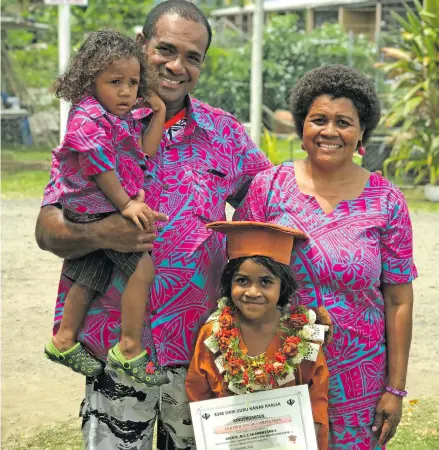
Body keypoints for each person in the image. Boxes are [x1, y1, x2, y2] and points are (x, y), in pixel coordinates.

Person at [35, 1, 272, 448]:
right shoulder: (96, 124)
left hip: (202, 350)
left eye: (193, 57)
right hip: (117, 355)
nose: (177, 66)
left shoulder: (225, 134)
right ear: (141, 45)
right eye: (165, 49)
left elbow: (269, 206)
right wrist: (96, 233)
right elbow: (47, 227)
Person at [235, 64, 417, 449]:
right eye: (318, 119)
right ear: (302, 128)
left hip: (361, 383)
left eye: (344, 122)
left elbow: (399, 300)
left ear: (362, 131)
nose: (330, 131)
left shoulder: (387, 201)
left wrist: (395, 389)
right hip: (277, 370)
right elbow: (235, 273)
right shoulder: (269, 188)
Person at [43, 30, 169, 386]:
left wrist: (156, 112)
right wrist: (127, 204)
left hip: (100, 207)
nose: (127, 92)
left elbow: (144, 152)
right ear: (90, 79)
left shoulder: (118, 116)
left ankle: (64, 340)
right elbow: (99, 167)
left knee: (91, 274)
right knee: (142, 271)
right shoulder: (87, 117)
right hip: (94, 209)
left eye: (133, 82)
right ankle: (129, 349)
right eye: (115, 82)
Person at [186, 221, 332, 449]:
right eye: (242, 280)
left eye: (266, 282)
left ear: (282, 286)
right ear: (229, 283)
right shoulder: (213, 332)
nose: (252, 292)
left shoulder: (302, 337)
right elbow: (198, 391)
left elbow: (317, 400)